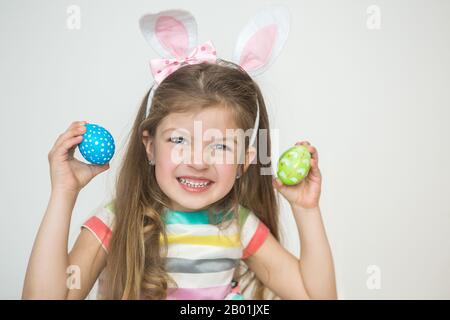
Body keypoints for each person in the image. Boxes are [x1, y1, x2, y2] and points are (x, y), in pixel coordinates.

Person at [22, 8, 337, 300]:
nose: (198, 161)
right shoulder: (118, 222)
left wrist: (306, 210)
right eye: (179, 140)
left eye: (221, 146)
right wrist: (64, 193)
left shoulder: (237, 226)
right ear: (150, 147)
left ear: (244, 161)